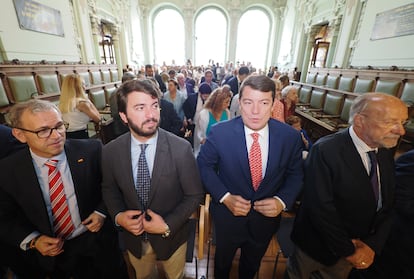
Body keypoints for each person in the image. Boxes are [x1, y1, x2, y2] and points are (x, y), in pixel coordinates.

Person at [286, 93, 408, 279]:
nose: (401, 131)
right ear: (359, 121)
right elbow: (320, 209)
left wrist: (372, 244)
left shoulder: (385, 149)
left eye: (403, 122)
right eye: (390, 122)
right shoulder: (326, 150)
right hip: (319, 246)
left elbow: (388, 204)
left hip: (359, 246)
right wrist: (349, 250)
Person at [0, 99, 124, 279]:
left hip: (97, 243)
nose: (56, 135)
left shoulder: (91, 150)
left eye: (59, 126)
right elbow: (4, 217)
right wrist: (33, 240)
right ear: (20, 135)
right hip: (47, 257)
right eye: (43, 131)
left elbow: (112, 186)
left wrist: (101, 212)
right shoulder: (6, 171)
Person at [197, 75, 304, 279]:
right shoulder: (220, 133)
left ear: (274, 104)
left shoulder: (289, 137)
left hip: (265, 222)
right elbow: (204, 166)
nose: (255, 111)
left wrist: (282, 201)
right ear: (240, 103)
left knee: (251, 266)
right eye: (248, 102)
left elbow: (296, 173)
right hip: (228, 219)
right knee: (221, 265)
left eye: (263, 103)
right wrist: (225, 197)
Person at [101, 79, 204, 279]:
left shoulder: (180, 149)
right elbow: (109, 189)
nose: (151, 115)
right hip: (135, 240)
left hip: (172, 238)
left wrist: (167, 225)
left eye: (154, 106)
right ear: (123, 116)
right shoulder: (110, 151)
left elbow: (194, 195)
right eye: (140, 108)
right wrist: (119, 216)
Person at [59, 74, 101, 139]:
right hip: (80, 135)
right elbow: (98, 118)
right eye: (83, 84)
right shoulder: (82, 103)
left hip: (67, 136)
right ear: (79, 87)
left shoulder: (62, 103)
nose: (85, 87)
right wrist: (88, 100)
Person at [183, 82, 212, 154]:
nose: (206, 98)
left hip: (204, 125)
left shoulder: (211, 100)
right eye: (204, 96)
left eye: (207, 96)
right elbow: (185, 107)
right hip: (193, 123)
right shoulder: (192, 98)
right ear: (200, 93)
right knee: (194, 142)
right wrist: (189, 118)